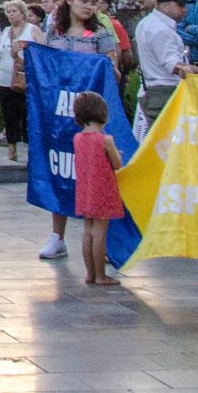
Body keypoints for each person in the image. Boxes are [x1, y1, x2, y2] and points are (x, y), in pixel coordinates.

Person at [35, 0, 120, 261]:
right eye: (84, 1)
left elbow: (113, 71)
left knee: (94, 175)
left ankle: (98, 240)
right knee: (60, 170)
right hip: (60, 114)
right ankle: (57, 236)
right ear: (69, 0)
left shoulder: (100, 34)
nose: (89, 7)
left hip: (90, 118)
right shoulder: (53, 32)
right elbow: (45, 67)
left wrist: (107, 67)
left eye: (94, 3)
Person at [69, 91, 126, 286]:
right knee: (100, 233)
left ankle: (90, 273)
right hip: (103, 191)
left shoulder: (78, 138)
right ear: (102, 113)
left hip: (85, 191)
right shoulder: (105, 140)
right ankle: (101, 275)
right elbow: (117, 164)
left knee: (87, 231)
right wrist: (116, 153)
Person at [133, 0, 194, 122]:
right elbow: (174, 66)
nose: (185, 9)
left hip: (151, 89)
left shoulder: (146, 23)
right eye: (180, 5)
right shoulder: (161, 29)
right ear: (164, 5)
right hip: (165, 92)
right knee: (169, 135)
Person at [0, 0, 38, 162]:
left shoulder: (33, 30)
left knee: (27, 115)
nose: (11, 14)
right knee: (9, 115)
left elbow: (40, 58)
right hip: (5, 79)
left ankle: (32, 151)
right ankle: (12, 150)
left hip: (26, 79)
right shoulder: (6, 31)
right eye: (8, 12)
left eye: (14, 11)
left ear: (23, 13)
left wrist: (18, 57)